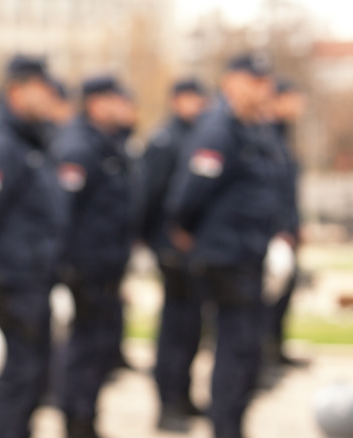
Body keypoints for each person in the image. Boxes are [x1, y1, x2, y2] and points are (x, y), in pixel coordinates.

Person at [165, 54, 286, 438]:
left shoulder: (255, 129)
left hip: (248, 252)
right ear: (233, 82)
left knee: (247, 349)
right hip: (224, 256)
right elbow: (189, 195)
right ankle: (226, 428)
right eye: (255, 81)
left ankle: (232, 424)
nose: (264, 89)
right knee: (235, 350)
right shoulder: (218, 129)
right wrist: (185, 229)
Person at [0, 55, 65, 438]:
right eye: (42, 88)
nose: (50, 96)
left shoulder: (30, 140)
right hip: (6, 285)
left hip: (31, 283)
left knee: (30, 381)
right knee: (11, 381)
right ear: (17, 90)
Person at [52, 74, 137, 438]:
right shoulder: (79, 146)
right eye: (116, 100)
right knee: (84, 350)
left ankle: (86, 415)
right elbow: (61, 211)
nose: (123, 107)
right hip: (84, 269)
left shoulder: (110, 144)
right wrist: (68, 266)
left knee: (102, 347)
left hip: (106, 265)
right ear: (96, 102)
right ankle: (77, 420)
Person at [141, 77, 208, 431]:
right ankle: (167, 403)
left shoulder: (199, 136)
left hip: (195, 248)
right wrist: (155, 241)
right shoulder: (164, 141)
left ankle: (183, 395)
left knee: (192, 327)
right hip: (170, 246)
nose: (195, 104)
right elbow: (149, 195)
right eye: (188, 98)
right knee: (173, 331)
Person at [264, 79, 307, 367]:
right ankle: (263, 357)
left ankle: (274, 351)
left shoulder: (281, 136)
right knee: (264, 302)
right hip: (270, 233)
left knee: (283, 297)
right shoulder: (265, 136)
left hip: (286, 229)